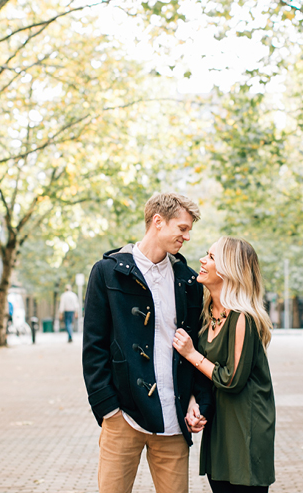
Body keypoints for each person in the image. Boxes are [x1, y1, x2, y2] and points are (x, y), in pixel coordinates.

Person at [82, 192, 212, 493]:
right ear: (158, 222)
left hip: (174, 418)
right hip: (122, 417)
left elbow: (198, 346)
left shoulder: (189, 281)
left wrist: (196, 399)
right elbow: (93, 346)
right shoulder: (108, 272)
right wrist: (108, 409)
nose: (187, 237)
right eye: (182, 228)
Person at [173, 236, 276, 493]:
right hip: (219, 424)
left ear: (229, 269)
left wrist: (190, 353)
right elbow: (204, 376)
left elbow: (231, 379)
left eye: (210, 257)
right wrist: (194, 402)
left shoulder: (243, 318)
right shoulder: (208, 314)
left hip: (246, 428)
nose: (202, 260)